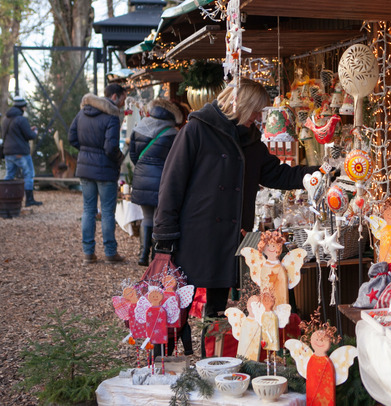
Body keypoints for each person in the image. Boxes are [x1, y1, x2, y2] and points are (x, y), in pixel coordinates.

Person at [152, 77, 319, 350]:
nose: (258, 117)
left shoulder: (250, 141)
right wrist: (164, 234)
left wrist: (319, 173)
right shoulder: (197, 130)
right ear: (240, 105)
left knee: (218, 310)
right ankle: (162, 366)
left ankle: (212, 361)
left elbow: (277, 173)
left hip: (230, 237)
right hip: (194, 236)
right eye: (256, 110)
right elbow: (171, 184)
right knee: (175, 306)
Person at [68, 84, 127, 264]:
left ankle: (88, 253)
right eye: (123, 98)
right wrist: (119, 158)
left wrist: (86, 152)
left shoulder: (82, 113)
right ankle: (110, 253)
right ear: (115, 97)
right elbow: (110, 148)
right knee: (108, 212)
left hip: (85, 169)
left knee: (88, 210)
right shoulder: (111, 116)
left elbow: (72, 138)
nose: (123, 103)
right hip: (105, 169)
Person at [128, 98, 184, 266]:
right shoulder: (173, 133)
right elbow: (176, 160)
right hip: (162, 181)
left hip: (141, 178)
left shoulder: (139, 126)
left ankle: (142, 254)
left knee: (146, 217)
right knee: (159, 219)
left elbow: (133, 154)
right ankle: (155, 256)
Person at [2, 96, 42, 206]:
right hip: (20, 152)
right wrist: (34, 132)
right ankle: (29, 200)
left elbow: (13, 134)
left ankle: (4, 197)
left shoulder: (6, 119)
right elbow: (29, 135)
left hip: (8, 152)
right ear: (23, 107)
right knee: (28, 174)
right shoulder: (21, 119)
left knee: (9, 175)